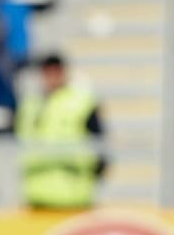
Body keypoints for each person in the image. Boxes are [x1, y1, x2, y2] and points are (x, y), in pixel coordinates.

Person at [14, 52, 105, 209]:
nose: (52, 77)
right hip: (36, 199)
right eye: (47, 72)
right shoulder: (29, 105)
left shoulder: (82, 102)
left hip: (75, 199)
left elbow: (100, 147)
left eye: (56, 71)